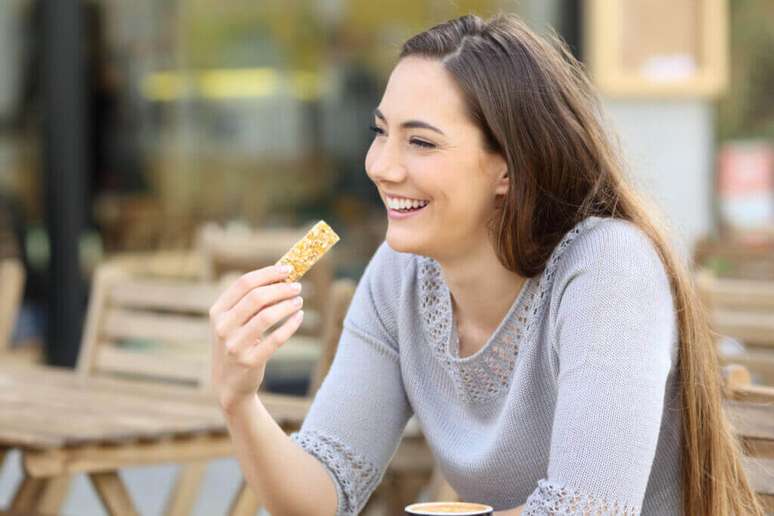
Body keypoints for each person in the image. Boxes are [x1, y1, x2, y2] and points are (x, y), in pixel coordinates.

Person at [208, 14, 763, 516]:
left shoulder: (607, 270)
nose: (381, 166)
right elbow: (320, 493)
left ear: (508, 169)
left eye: (421, 142)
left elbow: (585, 511)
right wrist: (239, 397)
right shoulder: (399, 274)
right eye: (381, 132)